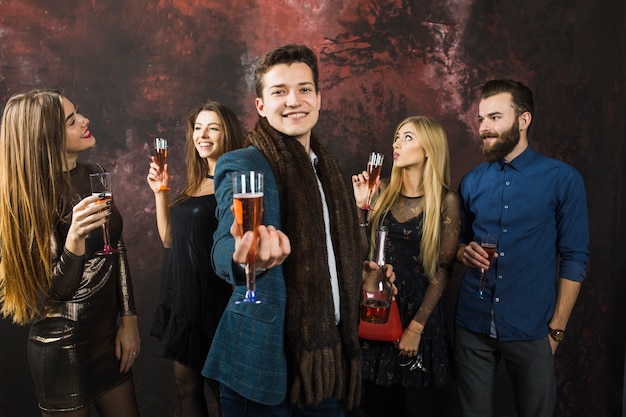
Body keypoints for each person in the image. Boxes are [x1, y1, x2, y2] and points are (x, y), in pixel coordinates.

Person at [202, 44, 393, 417]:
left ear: (319, 99)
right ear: (260, 105)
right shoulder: (243, 163)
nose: (294, 100)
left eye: (304, 89)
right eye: (279, 91)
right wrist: (245, 260)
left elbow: (334, 254)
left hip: (326, 367)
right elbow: (224, 244)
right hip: (261, 366)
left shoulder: (331, 172)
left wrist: (359, 273)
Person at [0, 89, 141, 417]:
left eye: (78, 112)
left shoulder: (94, 173)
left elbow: (114, 246)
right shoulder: (35, 196)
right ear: (47, 136)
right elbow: (56, 292)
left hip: (108, 340)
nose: (85, 120)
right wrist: (74, 240)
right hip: (62, 346)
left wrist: (130, 319)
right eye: (71, 120)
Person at [454, 79, 590, 417]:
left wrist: (556, 330)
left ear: (523, 120)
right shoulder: (471, 181)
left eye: (495, 117)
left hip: (532, 329)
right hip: (472, 325)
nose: (484, 128)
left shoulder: (563, 179)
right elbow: (457, 244)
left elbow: (574, 257)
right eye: (481, 119)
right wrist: (461, 252)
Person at [352, 116, 460, 416]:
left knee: (416, 407)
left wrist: (416, 328)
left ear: (429, 148)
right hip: (380, 309)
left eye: (407, 137)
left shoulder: (446, 201)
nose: (396, 143)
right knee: (375, 404)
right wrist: (362, 208)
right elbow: (363, 256)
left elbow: (442, 270)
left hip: (419, 315)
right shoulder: (381, 189)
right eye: (396, 137)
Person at [147, 100, 245, 416]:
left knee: (226, 393)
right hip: (184, 298)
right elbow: (169, 239)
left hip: (218, 300)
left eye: (212, 127)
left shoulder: (236, 183)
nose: (202, 135)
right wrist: (160, 191)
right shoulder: (194, 183)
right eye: (198, 128)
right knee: (185, 388)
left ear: (227, 133)